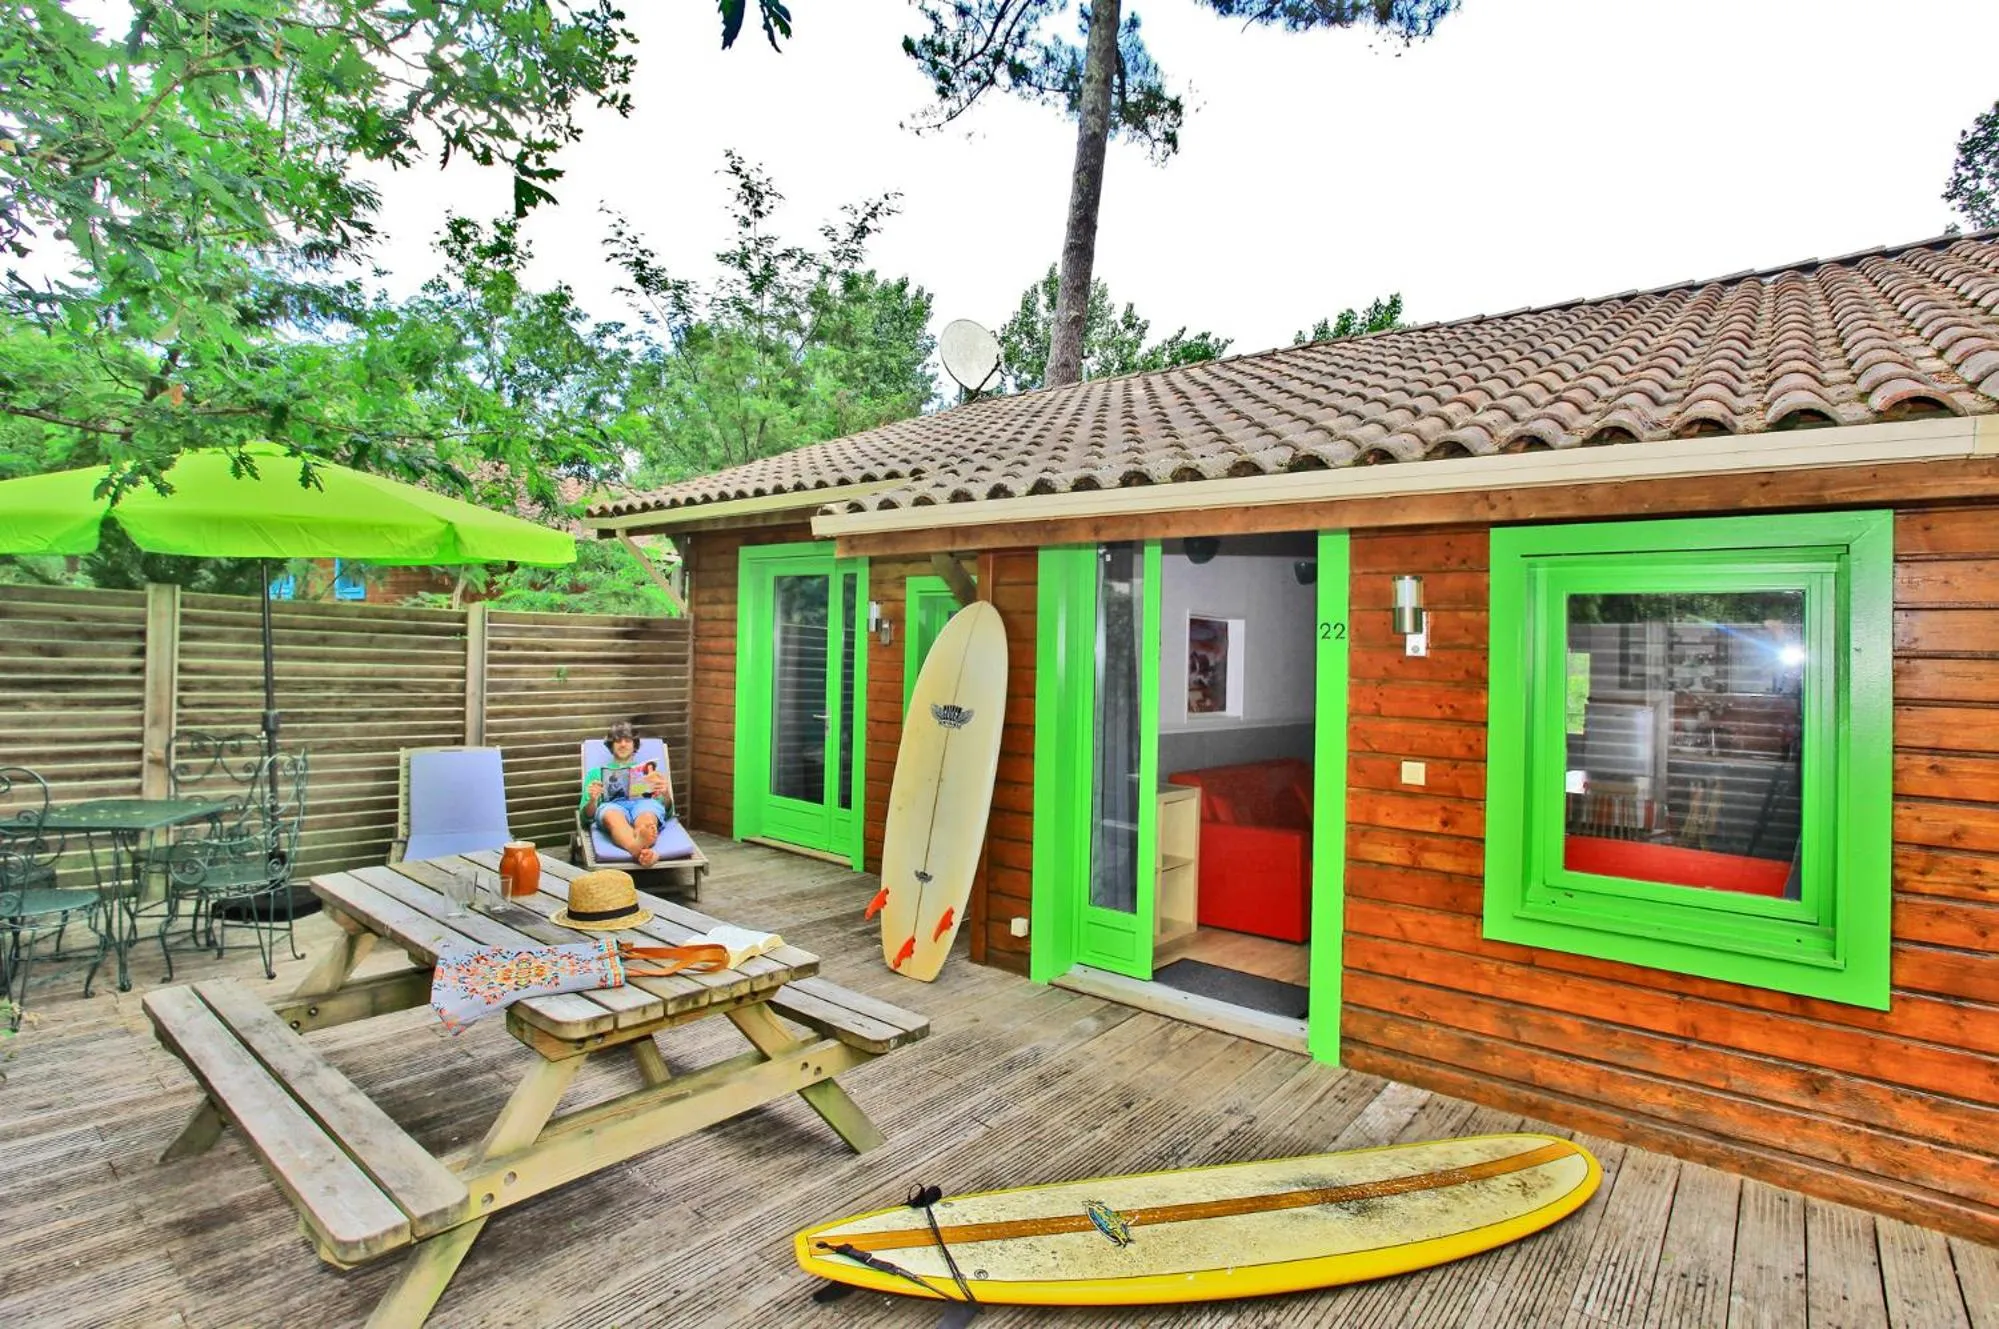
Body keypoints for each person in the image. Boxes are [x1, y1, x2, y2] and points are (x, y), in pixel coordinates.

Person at [582, 721, 673, 867]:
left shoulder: (650, 771)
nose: (623, 744)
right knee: (612, 815)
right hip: (612, 806)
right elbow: (586, 817)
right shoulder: (596, 773)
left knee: (648, 817)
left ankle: (637, 847)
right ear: (611, 745)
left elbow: (667, 812)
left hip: (644, 804)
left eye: (628, 740)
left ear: (634, 744)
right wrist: (593, 800)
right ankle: (644, 851)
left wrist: (666, 794)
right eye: (618, 741)